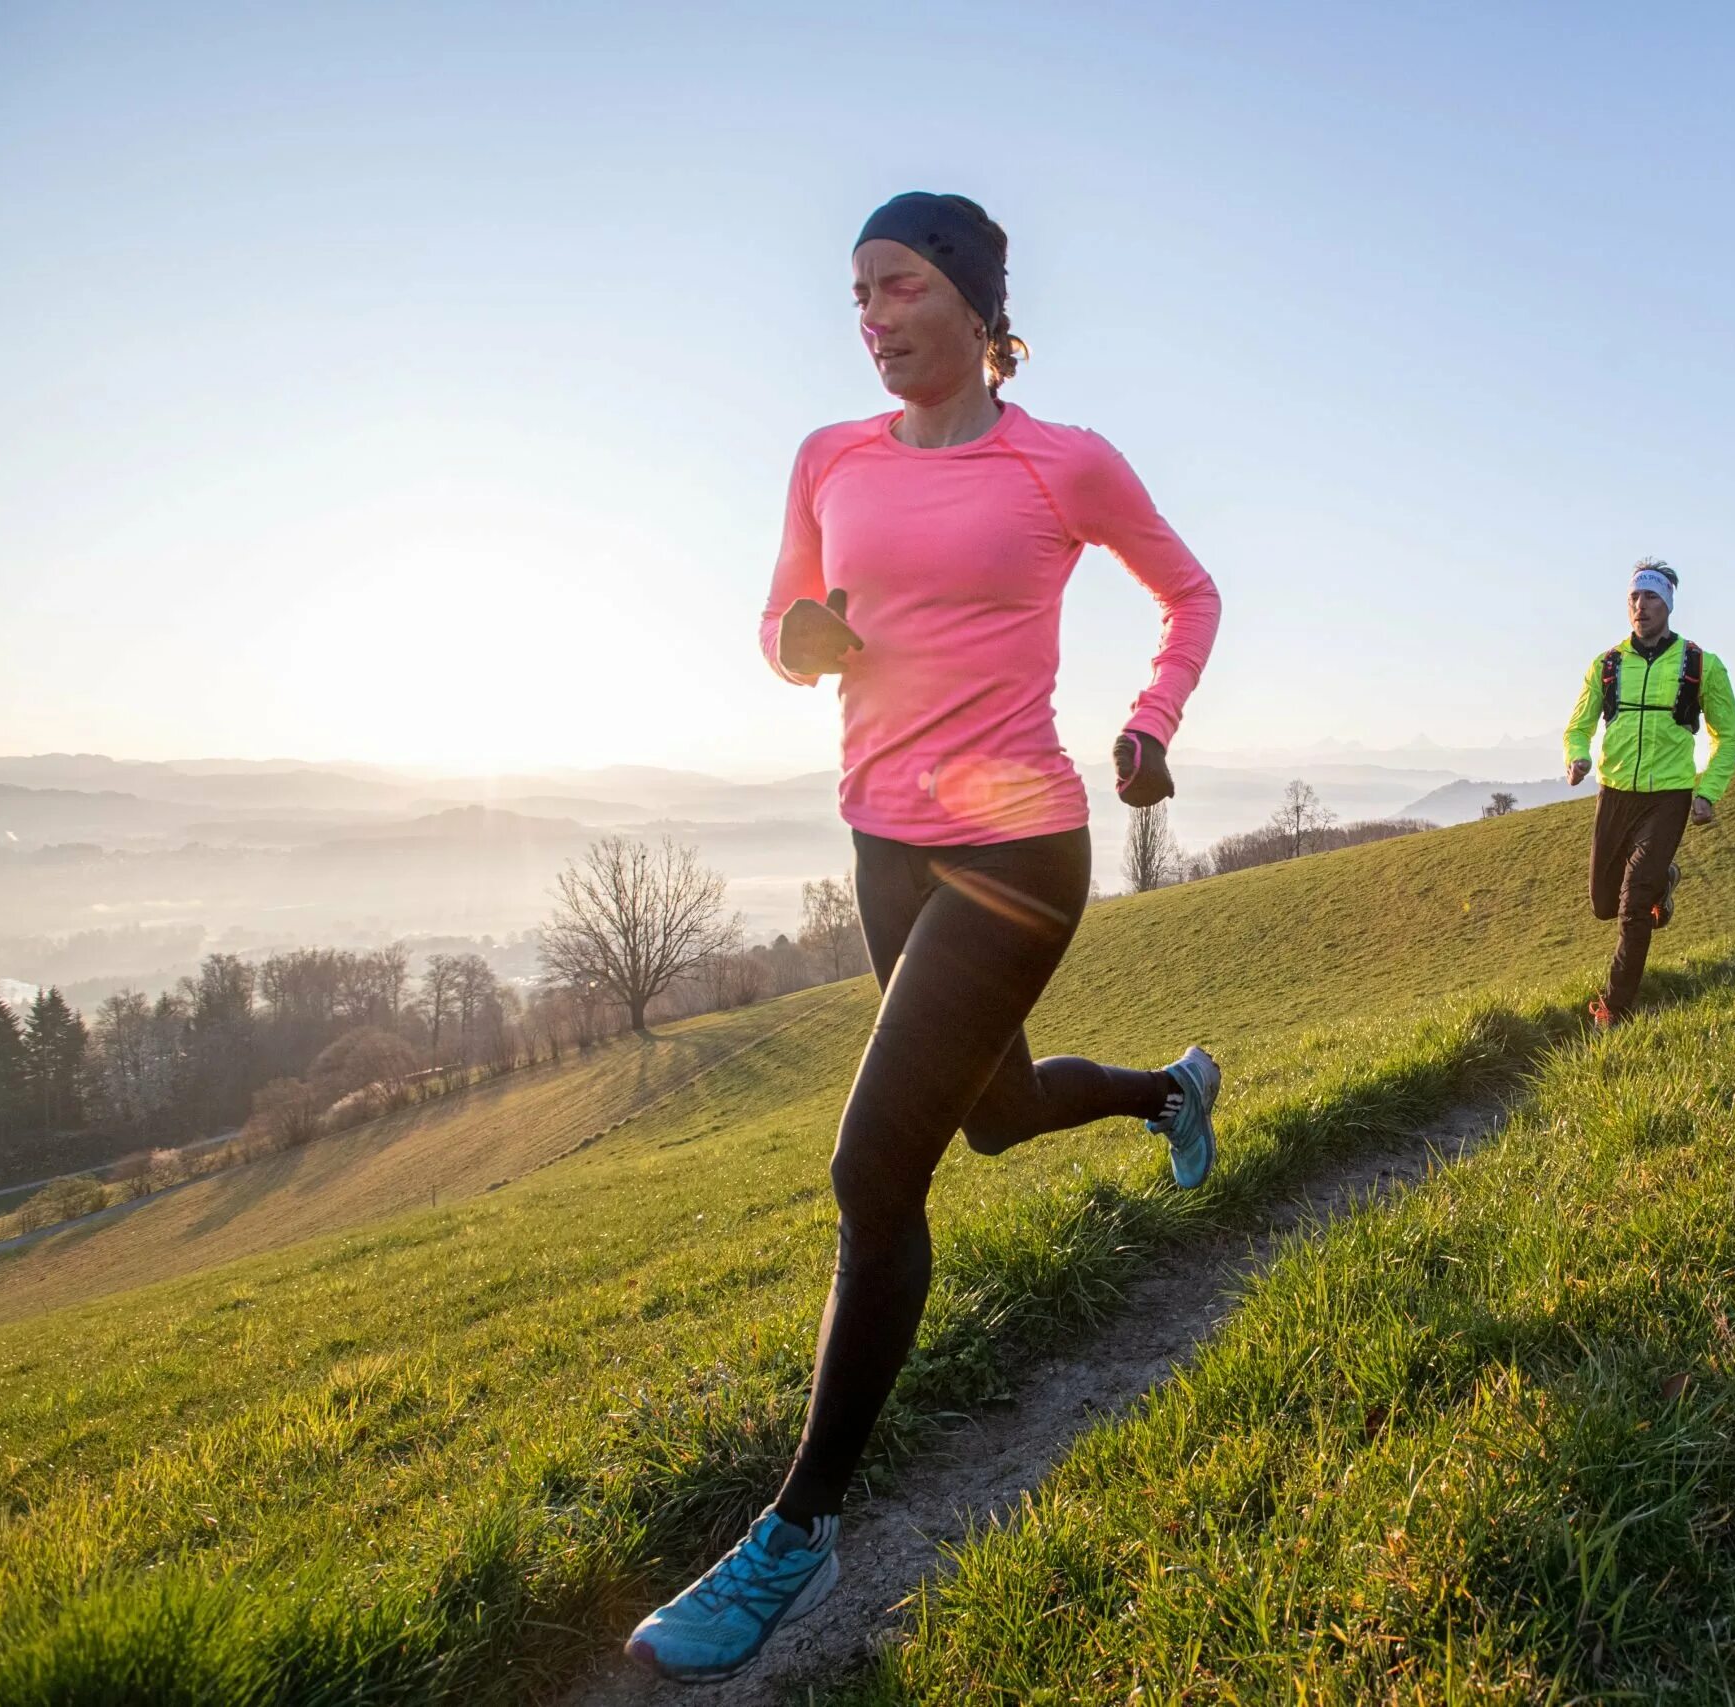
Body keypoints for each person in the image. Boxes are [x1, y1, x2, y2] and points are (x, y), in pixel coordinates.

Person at [625, 192, 1223, 1684]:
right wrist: (800, 643)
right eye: (857, 299)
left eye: (897, 288)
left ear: (969, 299)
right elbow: (778, 623)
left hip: (1018, 849)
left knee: (870, 1166)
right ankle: (1171, 1089)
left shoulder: (1062, 461)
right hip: (883, 844)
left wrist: (1148, 721)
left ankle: (798, 1530)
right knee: (1000, 1117)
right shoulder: (827, 460)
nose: (874, 318)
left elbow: (1189, 593)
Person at [1563, 560, 1735, 1028]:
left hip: (1670, 796)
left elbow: (1729, 736)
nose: (1640, 607)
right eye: (1634, 599)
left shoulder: (1701, 665)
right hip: (1615, 793)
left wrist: (1708, 791)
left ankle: (1614, 1008)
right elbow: (1578, 726)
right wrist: (1577, 756)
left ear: (1668, 605)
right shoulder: (1606, 665)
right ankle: (1665, 878)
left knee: (1635, 905)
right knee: (1604, 903)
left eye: (1651, 598)